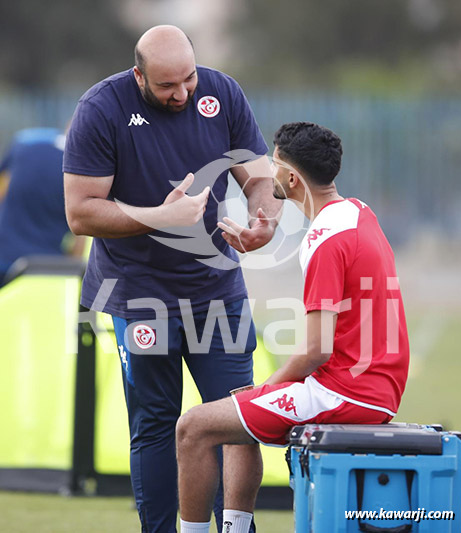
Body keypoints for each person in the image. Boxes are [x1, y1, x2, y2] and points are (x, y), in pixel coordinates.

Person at [63, 25, 281, 533]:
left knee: (237, 420)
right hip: (140, 295)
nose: (182, 93)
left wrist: (264, 220)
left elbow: (260, 178)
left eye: (189, 79)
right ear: (138, 76)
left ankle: (237, 530)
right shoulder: (100, 109)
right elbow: (80, 213)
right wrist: (160, 217)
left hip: (217, 293)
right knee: (156, 426)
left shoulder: (223, 92)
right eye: (166, 85)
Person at [176, 122, 410, 533]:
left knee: (191, 427)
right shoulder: (358, 212)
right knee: (234, 416)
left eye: (274, 163)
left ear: (291, 179)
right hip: (377, 389)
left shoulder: (324, 239)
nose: (269, 170)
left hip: (346, 394)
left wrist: (269, 386)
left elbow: (317, 349)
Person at [0, 127, 85, 287]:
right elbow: (81, 234)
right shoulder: (85, 168)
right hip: (49, 270)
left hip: (4, 260)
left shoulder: (27, 140)